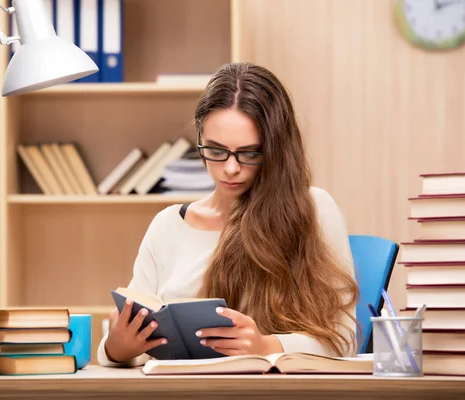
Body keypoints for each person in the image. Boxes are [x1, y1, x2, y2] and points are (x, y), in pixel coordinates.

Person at [98, 62, 359, 367]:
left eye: (249, 153)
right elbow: (125, 339)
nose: (231, 168)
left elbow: (345, 341)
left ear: (276, 150)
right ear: (200, 140)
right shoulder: (168, 225)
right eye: (216, 150)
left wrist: (266, 345)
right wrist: (117, 348)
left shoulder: (312, 209)